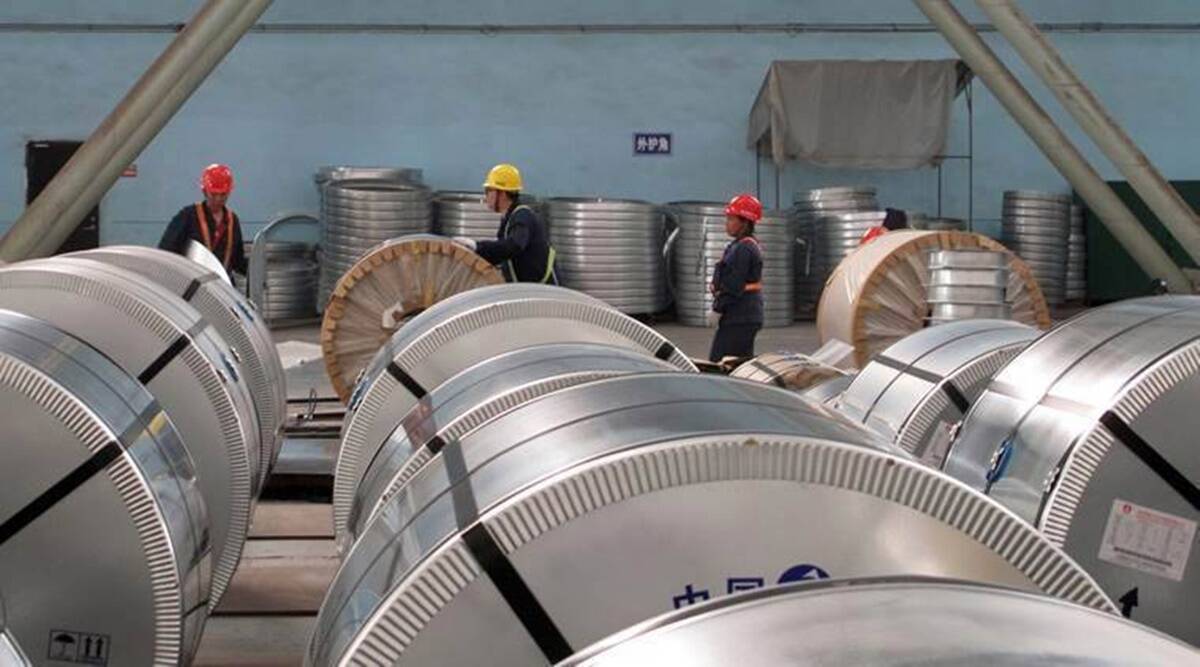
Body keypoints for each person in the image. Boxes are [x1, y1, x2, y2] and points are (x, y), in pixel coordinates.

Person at [453, 163, 557, 284]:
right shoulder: (508, 218)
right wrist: (474, 252)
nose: (486, 197)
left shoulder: (522, 216)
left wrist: (478, 246)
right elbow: (502, 253)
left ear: (502, 193)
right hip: (528, 288)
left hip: (544, 290)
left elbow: (513, 246)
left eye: (488, 191)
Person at [158, 163, 247, 278]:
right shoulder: (188, 217)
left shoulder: (232, 221)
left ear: (229, 192)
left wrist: (257, 270)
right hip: (192, 282)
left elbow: (238, 261)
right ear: (205, 192)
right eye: (213, 194)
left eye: (223, 195)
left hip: (222, 284)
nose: (218, 199)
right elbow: (166, 251)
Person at [708, 193, 765, 362]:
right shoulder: (739, 245)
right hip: (741, 315)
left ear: (745, 222)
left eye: (731, 219)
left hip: (740, 316)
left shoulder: (744, 249)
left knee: (720, 364)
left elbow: (733, 285)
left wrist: (717, 309)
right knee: (738, 364)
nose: (727, 223)